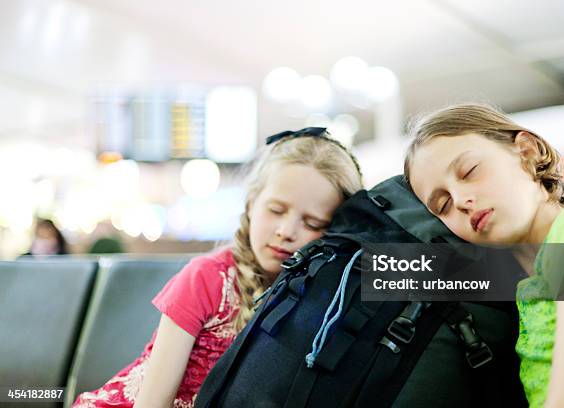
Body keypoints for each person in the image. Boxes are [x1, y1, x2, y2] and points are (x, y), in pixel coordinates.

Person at [72, 127, 363, 408]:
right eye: (275, 210)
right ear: (251, 203)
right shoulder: (206, 277)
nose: (286, 231)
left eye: (313, 224)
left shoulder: (330, 297)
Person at [404, 103, 564, 407]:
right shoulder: (522, 289)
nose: (461, 201)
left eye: (469, 171)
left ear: (527, 151)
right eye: (443, 205)